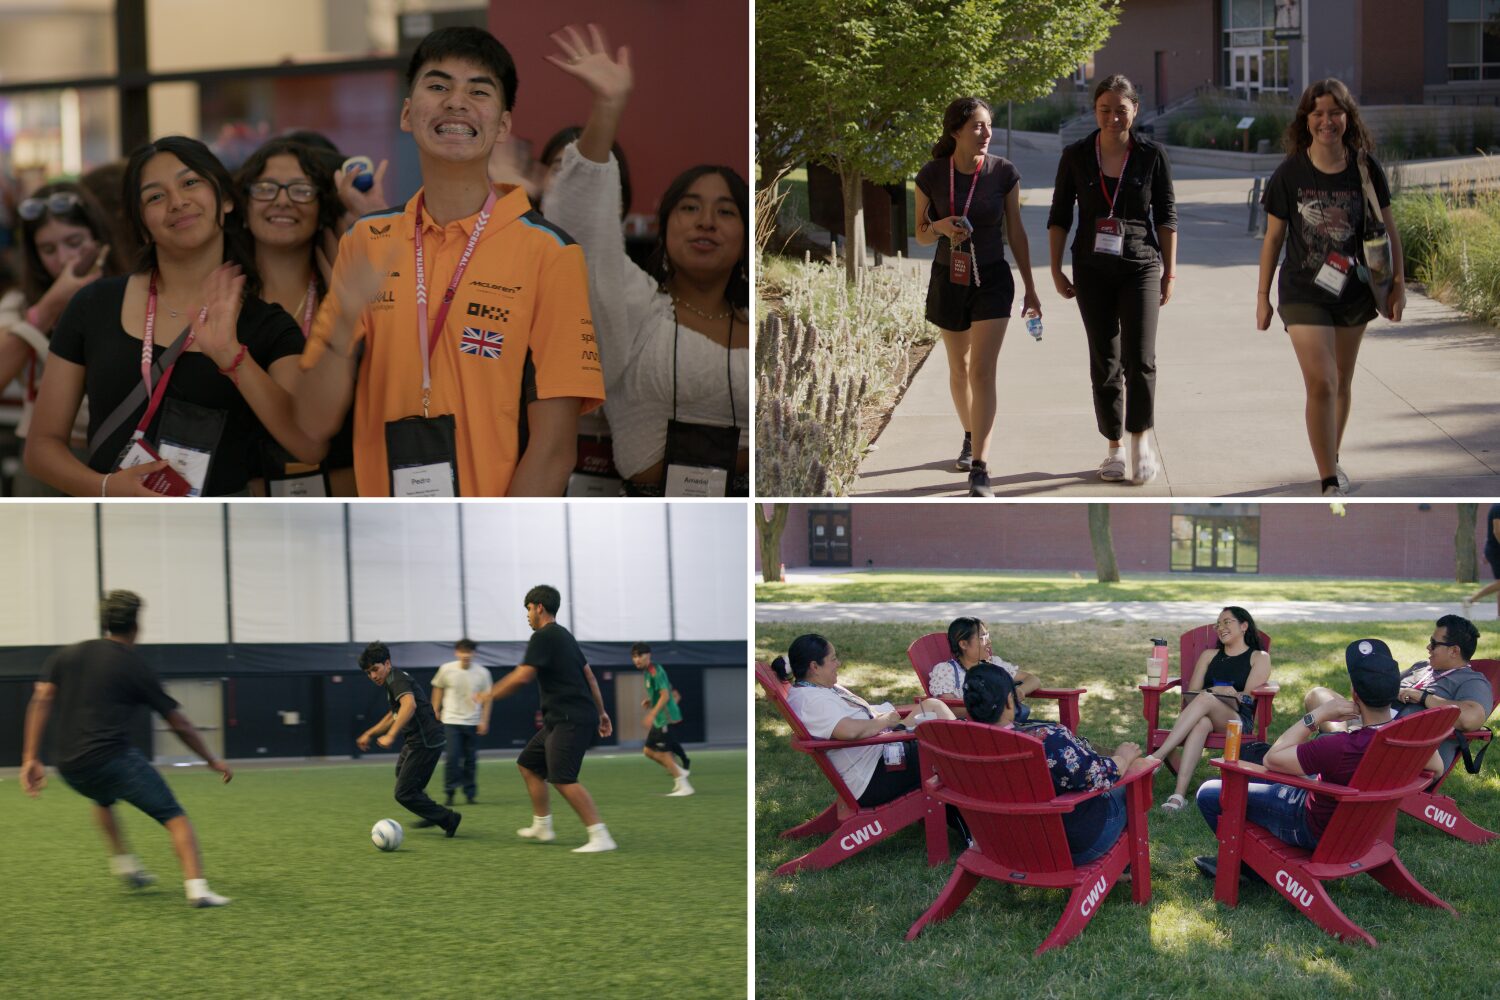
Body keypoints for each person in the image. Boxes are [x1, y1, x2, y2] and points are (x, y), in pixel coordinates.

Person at [296, 26, 604, 497]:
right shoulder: (366, 240)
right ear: (406, 113)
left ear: (502, 126)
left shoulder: (549, 252)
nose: (456, 102)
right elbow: (313, 426)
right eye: (438, 86)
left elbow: (554, 448)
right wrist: (341, 332)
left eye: (478, 91)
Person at [24, 135, 321, 497]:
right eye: (155, 196)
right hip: (112, 531)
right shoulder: (94, 304)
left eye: (190, 182)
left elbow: (308, 444)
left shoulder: (267, 325)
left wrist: (232, 357)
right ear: (142, 225)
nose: (177, 202)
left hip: (219, 534)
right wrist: (105, 487)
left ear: (225, 199)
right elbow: (41, 448)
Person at [540, 24, 749, 496]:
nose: (706, 222)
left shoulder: (765, 327)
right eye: (690, 207)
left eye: (726, 211)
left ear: (744, 235)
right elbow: (581, 229)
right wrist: (607, 108)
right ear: (664, 223)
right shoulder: (632, 304)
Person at [18, 590, 234, 907]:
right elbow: (179, 724)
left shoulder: (67, 654)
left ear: (104, 624)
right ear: (136, 627)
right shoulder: (135, 666)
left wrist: (29, 758)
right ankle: (198, 889)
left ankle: (125, 865)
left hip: (71, 766)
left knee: (102, 799)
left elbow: (41, 699)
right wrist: (211, 760)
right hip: (112, 759)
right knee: (175, 817)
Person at [1255, 78, 1405, 497]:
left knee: (1342, 379)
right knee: (1321, 380)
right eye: (1317, 113)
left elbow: (1390, 231)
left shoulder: (1365, 168)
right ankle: (1328, 480)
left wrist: (1398, 286)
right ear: (1306, 121)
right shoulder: (1289, 173)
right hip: (1303, 291)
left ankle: (1331, 458)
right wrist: (1262, 297)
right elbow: (1272, 239)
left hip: (1355, 289)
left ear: (1347, 117)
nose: (1326, 121)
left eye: (1334, 112)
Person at [1193, 638, 1439, 879]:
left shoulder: (1340, 746)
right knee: (1258, 759)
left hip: (1313, 824)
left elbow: (1273, 759)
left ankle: (1249, 865)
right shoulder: (1406, 739)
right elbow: (1436, 768)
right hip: (1360, 826)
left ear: (1354, 695)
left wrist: (1318, 715)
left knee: (1209, 792)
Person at [1048, 74, 1177, 486]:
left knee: (1140, 359)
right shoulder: (1076, 155)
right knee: (1104, 360)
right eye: (1105, 108)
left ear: (1134, 110)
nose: (1112, 117)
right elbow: (1059, 216)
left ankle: (1140, 441)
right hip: (1091, 269)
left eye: (1121, 109)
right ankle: (1114, 448)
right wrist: (1054, 268)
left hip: (1139, 264)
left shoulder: (1152, 156)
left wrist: (1170, 272)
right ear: (1095, 110)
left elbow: (1167, 216)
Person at [914, 96, 1042, 497]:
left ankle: (981, 468)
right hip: (948, 279)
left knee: (982, 371)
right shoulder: (932, 174)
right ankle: (970, 434)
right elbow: (919, 233)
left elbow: (1016, 232)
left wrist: (1032, 289)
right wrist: (940, 226)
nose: (985, 133)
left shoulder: (1004, 172)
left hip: (992, 279)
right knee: (960, 367)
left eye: (988, 125)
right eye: (976, 126)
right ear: (955, 132)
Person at [235, 137, 357, 495]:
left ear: (322, 207)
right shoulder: (222, 299)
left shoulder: (345, 294)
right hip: (241, 506)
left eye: (302, 190)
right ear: (242, 204)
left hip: (343, 499)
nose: (283, 199)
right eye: (266, 188)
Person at [0, 182, 124, 495]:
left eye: (74, 241)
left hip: (116, 458)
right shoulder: (19, 303)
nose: (65, 258)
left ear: (98, 237)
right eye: (48, 250)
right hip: (42, 461)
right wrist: (51, 304)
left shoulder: (132, 294)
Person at [963, 662, 1153, 864]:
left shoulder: (956, 745)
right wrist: (1122, 758)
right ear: (1009, 700)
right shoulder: (1047, 740)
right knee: (1138, 770)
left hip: (1005, 844)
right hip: (1069, 845)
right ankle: (1129, 866)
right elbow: (1098, 776)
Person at [477, 584, 617, 852]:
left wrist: (490, 694)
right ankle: (543, 826)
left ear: (539, 607)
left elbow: (523, 676)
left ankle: (601, 836)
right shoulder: (564, 636)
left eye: (528, 609)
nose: (527, 615)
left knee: (563, 777)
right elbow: (589, 676)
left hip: (569, 719)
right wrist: (601, 712)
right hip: (561, 719)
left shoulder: (543, 636)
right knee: (528, 764)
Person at [771, 634, 956, 809]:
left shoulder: (818, 688)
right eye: (833, 659)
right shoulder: (813, 701)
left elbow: (858, 715)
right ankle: (968, 802)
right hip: (875, 775)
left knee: (932, 706)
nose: (838, 663)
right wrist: (885, 722)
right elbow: (849, 731)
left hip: (883, 748)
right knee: (947, 746)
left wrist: (890, 718)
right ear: (814, 667)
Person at [1301, 615, 1491, 773]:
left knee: (1325, 739)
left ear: (1454, 651)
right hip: (1370, 723)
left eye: (1434, 643)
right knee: (1318, 695)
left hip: (1399, 747)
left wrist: (1422, 697)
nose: (1428, 648)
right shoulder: (1421, 667)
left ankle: (1341, 749)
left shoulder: (1471, 681)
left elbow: (1470, 718)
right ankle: (1344, 744)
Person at [1146, 607, 1272, 812]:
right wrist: (1216, 690)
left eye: (1227, 622)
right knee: (1201, 722)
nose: (1221, 628)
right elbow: (1193, 693)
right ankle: (1178, 795)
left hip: (1237, 720)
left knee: (1206, 699)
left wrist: (1229, 694)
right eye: (1218, 624)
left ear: (1244, 626)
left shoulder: (1259, 657)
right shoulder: (1208, 655)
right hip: (1205, 715)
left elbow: (1248, 698)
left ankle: (1158, 756)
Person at [355, 640, 462, 837]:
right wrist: (370, 733)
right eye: (368, 673)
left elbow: (409, 706)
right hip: (417, 740)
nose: (373, 676)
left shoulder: (397, 680)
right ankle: (433, 814)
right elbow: (392, 715)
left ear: (387, 663)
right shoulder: (392, 680)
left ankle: (448, 818)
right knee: (403, 775)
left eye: (375, 669)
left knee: (403, 793)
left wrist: (390, 735)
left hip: (425, 741)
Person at [926, 616, 1042, 720]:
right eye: (983, 638)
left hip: (1008, 727)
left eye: (988, 636)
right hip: (970, 731)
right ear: (964, 644)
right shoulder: (947, 671)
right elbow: (951, 709)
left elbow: (1033, 679)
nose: (989, 642)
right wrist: (995, 707)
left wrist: (1020, 691)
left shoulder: (994, 664)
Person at [429, 637, 492, 806]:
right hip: (451, 720)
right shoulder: (446, 669)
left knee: (471, 760)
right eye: (463, 651)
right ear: (457, 652)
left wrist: (484, 720)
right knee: (452, 758)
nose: (466, 655)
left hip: (472, 722)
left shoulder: (483, 673)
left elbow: (488, 699)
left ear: (474, 653)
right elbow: (437, 688)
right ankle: (450, 793)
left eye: (469, 651)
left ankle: (470, 794)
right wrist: (435, 708)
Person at [631, 641, 693, 796]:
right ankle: (679, 771)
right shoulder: (647, 672)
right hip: (659, 718)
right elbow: (661, 693)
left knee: (664, 753)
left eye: (640, 655)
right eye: (634, 656)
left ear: (649, 655)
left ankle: (684, 786)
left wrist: (651, 713)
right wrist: (650, 701)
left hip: (666, 718)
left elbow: (666, 695)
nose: (637, 659)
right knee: (648, 751)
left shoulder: (655, 672)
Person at [1464, 503, 1500, 619]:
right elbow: (1497, 531)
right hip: (1497, 550)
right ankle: (1470, 600)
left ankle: (1499, 616)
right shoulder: (1498, 506)